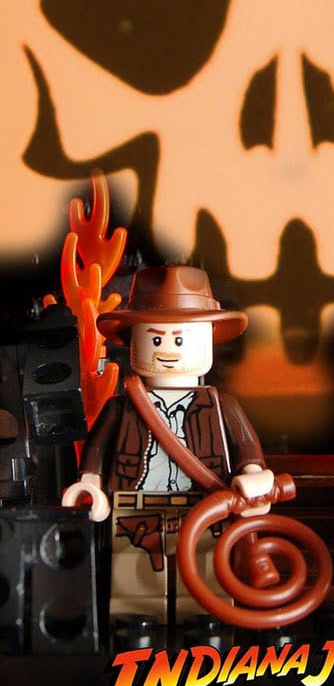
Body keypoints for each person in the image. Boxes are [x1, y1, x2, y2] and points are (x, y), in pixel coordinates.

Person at [62, 264, 274, 626]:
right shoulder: (121, 407)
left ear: (207, 340)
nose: (168, 351)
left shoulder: (221, 405)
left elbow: (245, 449)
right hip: (135, 508)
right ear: (134, 342)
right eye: (156, 340)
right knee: (136, 585)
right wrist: (91, 485)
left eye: (179, 340)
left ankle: (204, 635)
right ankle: (137, 637)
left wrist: (254, 475)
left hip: (204, 508)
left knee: (203, 583)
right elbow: (97, 453)